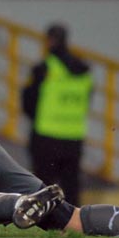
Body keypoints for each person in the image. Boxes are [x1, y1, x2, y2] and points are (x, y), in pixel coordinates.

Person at [22, 24, 92, 206]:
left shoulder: (44, 68)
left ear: (50, 41)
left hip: (46, 135)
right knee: (71, 187)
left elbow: (28, 100)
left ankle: (45, 219)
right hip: (73, 136)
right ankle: (74, 221)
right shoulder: (84, 70)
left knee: (43, 187)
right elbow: (87, 100)